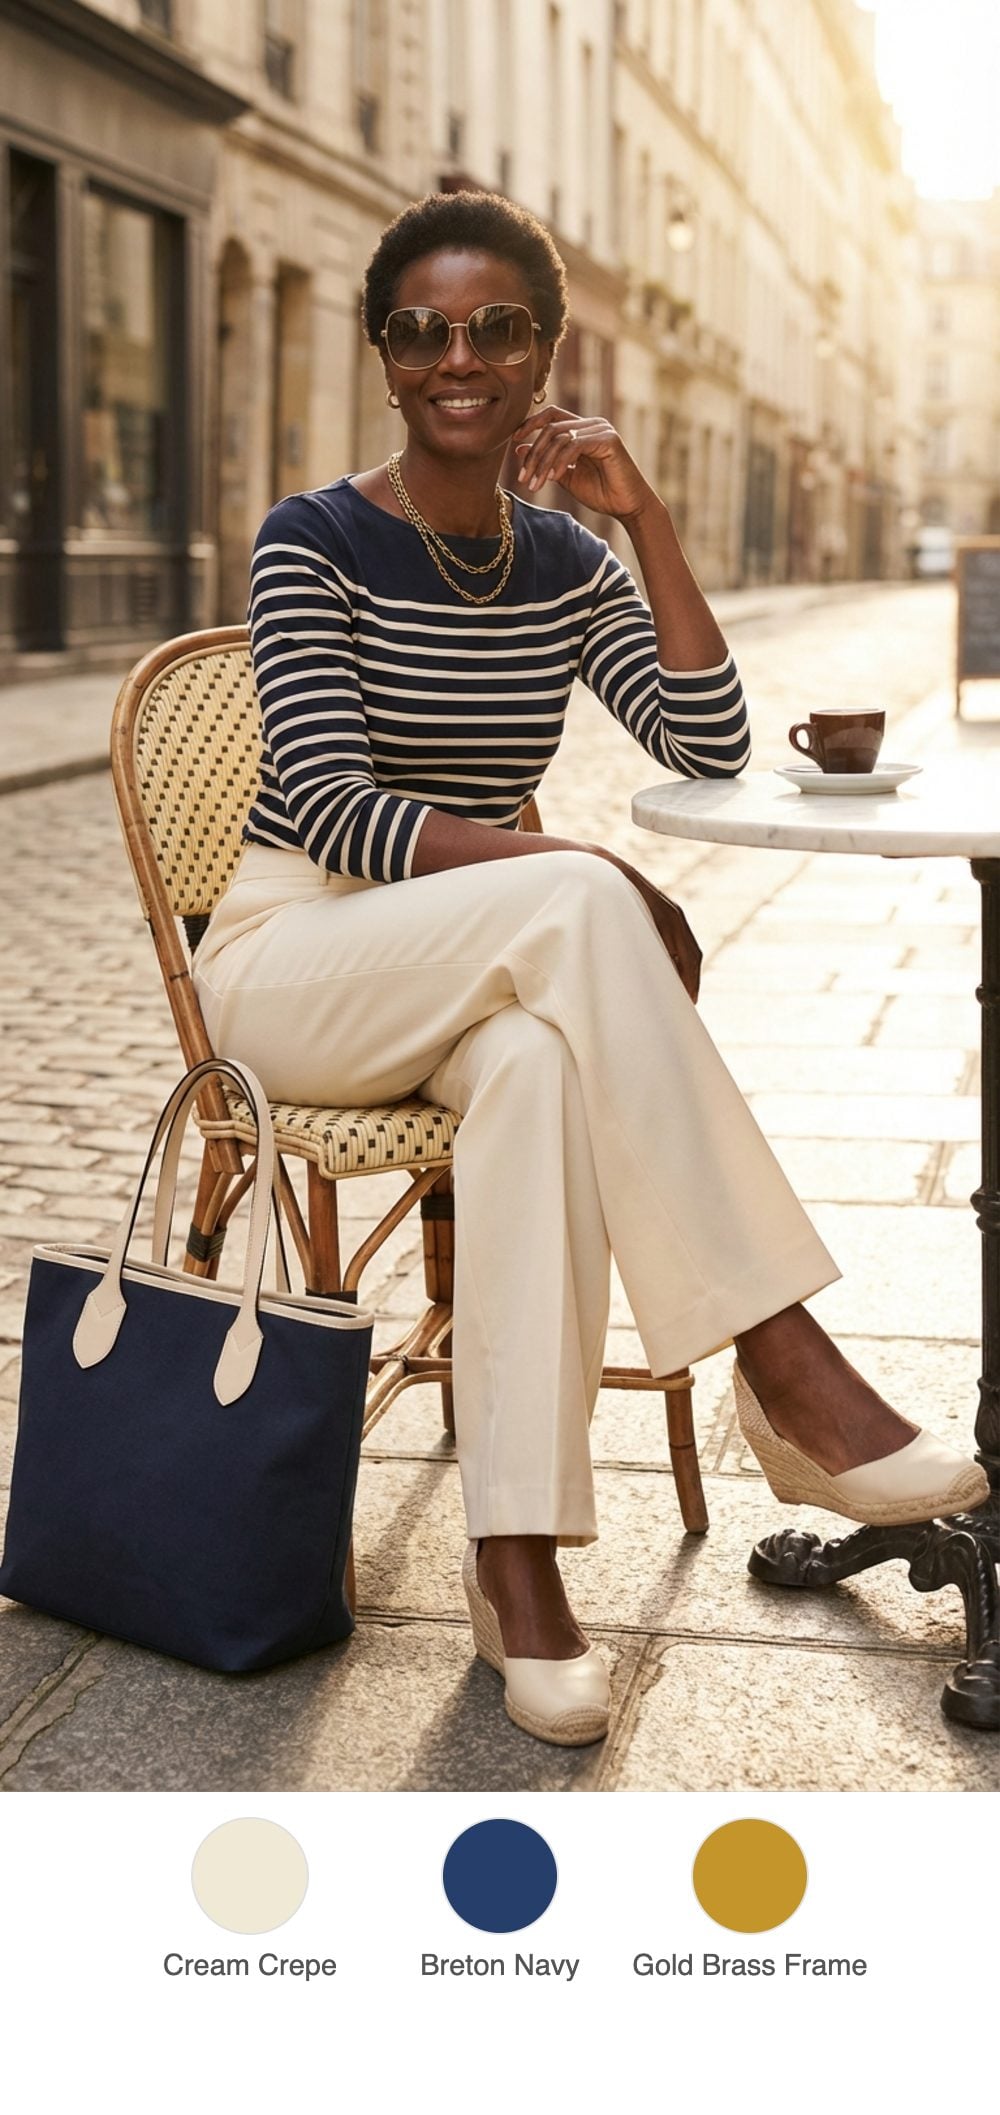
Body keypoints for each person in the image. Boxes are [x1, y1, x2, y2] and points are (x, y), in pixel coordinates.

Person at [193, 193, 986, 1747]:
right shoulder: (313, 538)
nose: (459, 358)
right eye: (422, 330)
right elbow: (337, 810)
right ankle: (785, 1360)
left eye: (495, 327)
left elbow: (708, 741)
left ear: (545, 351)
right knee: (573, 894)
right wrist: (584, 868)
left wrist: (648, 522)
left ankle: (519, 1566)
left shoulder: (560, 560)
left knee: (546, 1069)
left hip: (473, 960)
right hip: (298, 957)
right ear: (385, 357)